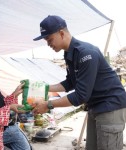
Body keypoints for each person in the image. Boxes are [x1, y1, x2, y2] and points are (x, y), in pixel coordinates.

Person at [33, 15, 126, 150]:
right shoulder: (69, 54)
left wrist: (49, 105)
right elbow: (70, 82)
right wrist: (44, 88)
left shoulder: (86, 53)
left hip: (110, 106)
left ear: (61, 33)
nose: (48, 44)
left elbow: (81, 95)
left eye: (49, 39)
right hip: (95, 108)